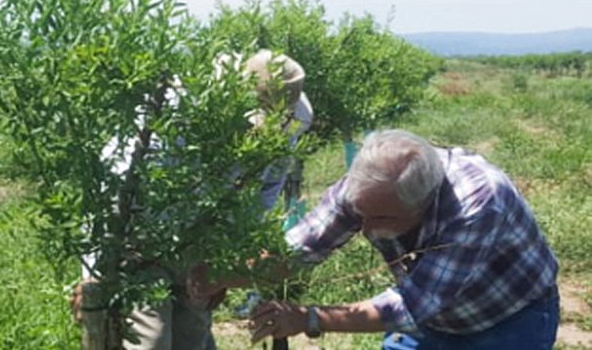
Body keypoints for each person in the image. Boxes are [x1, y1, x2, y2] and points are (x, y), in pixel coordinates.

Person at [190, 129, 559, 349]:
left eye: (381, 218)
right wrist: (226, 275)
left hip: (507, 319)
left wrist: (310, 318)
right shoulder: (365, 189)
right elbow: (299, 250)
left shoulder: (476, 204)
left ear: (424, 201)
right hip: (432, 324)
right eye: (360, 215)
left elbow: (410, 306)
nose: (365, 230)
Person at [71, 49, 313, 350]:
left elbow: (262, 196)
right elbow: (112, 194)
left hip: (201, 242)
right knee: (152, 342)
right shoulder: (173, 118)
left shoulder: (288, 125)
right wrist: (93, 277)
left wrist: (222, 265)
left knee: (193, 338)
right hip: (142, 241)